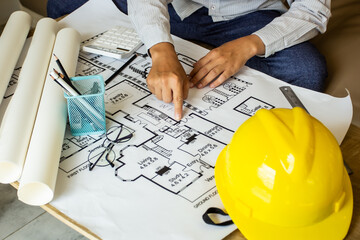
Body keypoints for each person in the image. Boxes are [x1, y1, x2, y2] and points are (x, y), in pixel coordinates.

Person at [47, 0, 330, 120]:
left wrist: (248, 46)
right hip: (177, 10)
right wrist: (160, 49)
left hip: (250, 18)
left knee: (306, 70)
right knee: (65, 3)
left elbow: (314, 8)